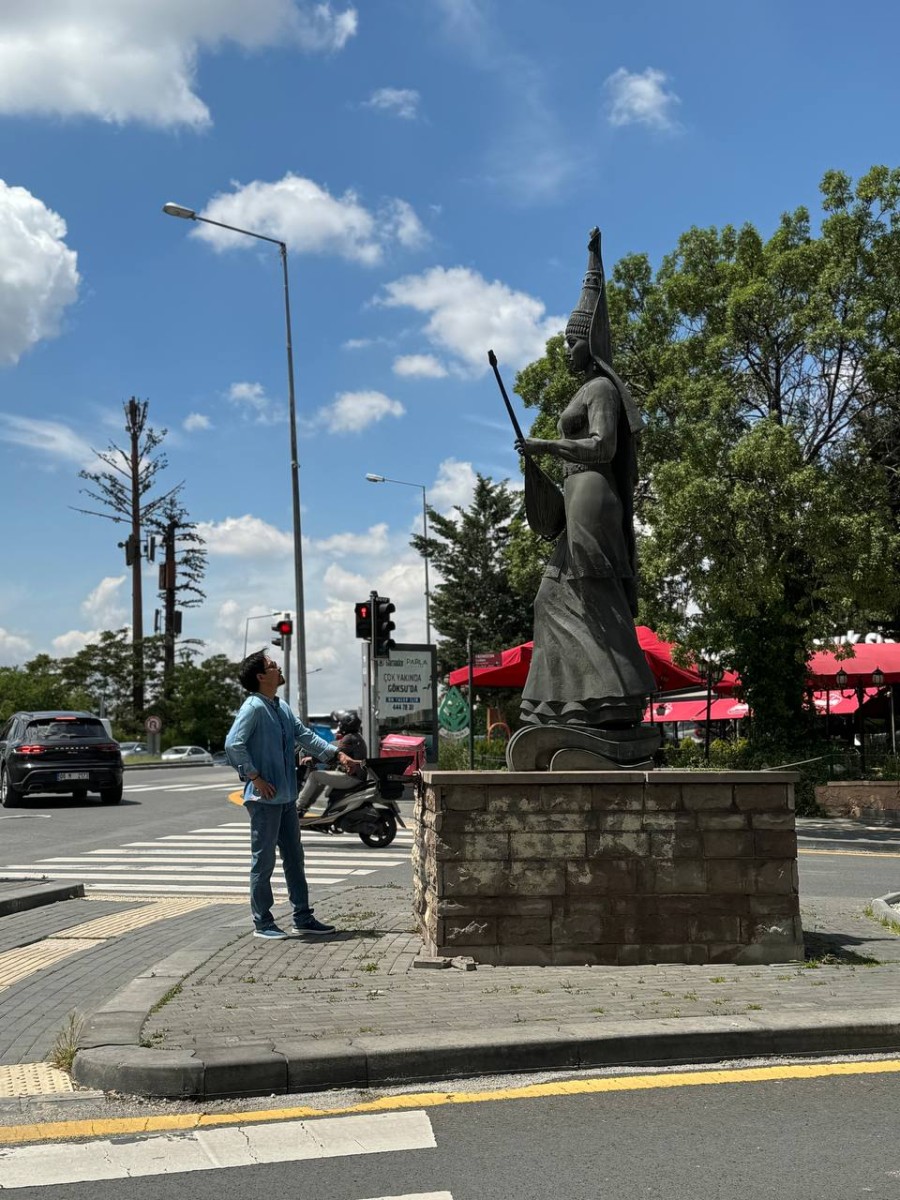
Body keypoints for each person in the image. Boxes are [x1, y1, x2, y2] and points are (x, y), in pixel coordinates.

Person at [514, 227, 656, 729]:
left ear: (590, 342)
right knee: (551, 597)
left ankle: (612, 696)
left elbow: (603, 446)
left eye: (573, 339)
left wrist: (545, 446)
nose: (566, 347)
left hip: (593, 494)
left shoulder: (601, 388)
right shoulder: (585, 387)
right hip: (576, 493)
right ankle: (573, 702)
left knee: (592, 592)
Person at [225, 650, 363, 940]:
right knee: (263, 862)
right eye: (271, 665)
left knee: (294, 858)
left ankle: (302, 916)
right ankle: (262, 922)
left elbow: (306, 737)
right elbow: (233, 744)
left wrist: (339, 756)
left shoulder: (280, 706)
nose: (277, 667)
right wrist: (254, 776)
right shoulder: (253, 707)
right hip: (264, 799)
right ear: (261, 677)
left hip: (286, 796)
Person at [296, 711, 368, 815]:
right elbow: (337, 753)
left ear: (346, 725)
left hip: (351, 778)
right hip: (356, 777)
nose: (339, 725)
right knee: (321, 777)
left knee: (314, 776)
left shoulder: (349, 738)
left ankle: (298, 806)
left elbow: (333, 754)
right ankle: (305, 806)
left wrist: (312, 759)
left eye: (341, 723)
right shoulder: (356, 737)